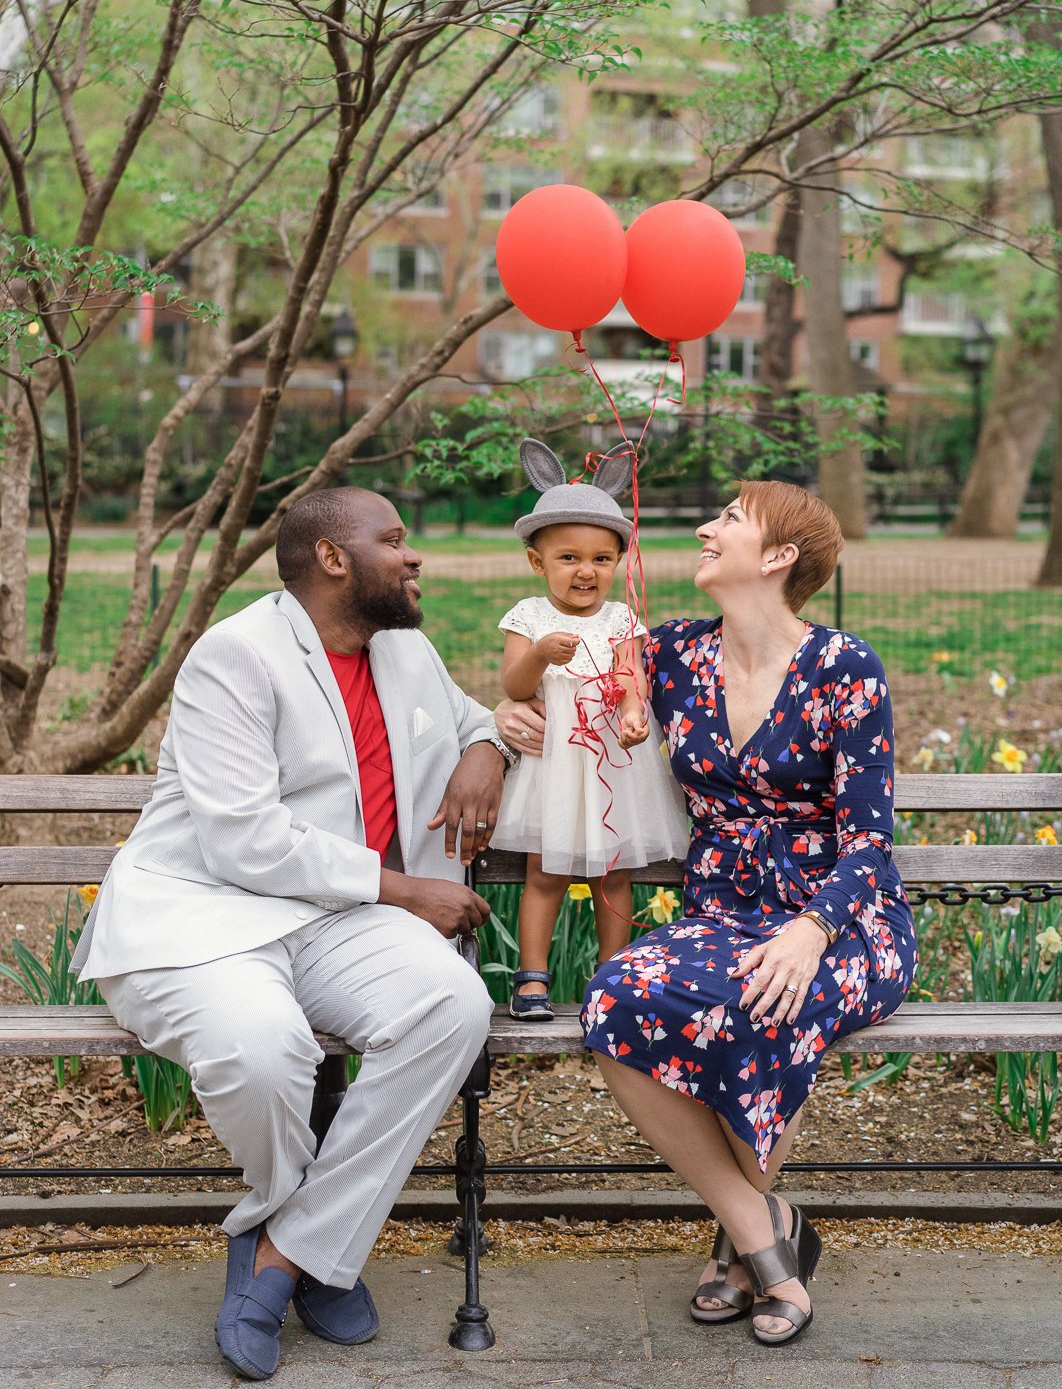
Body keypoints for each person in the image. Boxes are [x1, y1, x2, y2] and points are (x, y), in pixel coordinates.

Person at [71, 488, 513, 1382]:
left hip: (335, 921)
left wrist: (485, 752)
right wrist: (400, 888)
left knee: (452, 1005)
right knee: (265, 1052)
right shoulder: (235, 656)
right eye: (393, 540)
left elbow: (471, 719)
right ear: (333, 560)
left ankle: (283, 1256)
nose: (413, 555)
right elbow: (241, 838)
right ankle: (305, 1237)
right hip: (205, 918)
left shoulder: (406, 651)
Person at [571, 480, 916, 1348]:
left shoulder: (845, 667)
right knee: (615, 999)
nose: (702, 527)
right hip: (720, 913)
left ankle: (737, 1252)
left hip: (842, 918)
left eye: (727, 518)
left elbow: (869, 842)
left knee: (769, 1001)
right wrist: (495, 724)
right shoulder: (671, 652)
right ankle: (765, 1229)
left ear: (777, 557)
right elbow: (561, 680)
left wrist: (812, 929)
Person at [494, 440, 688, 1021]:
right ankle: (532, 980)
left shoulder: (622, 617)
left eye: (602, 559)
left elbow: (631, 676)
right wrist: (542, 657)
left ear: (618, 563)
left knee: (615, 868)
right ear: (538, 562)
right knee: (544, 870)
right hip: (554, 764)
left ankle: (612, 975)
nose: (586, 571)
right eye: (569, 558)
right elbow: (513, 686)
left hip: (613, 765)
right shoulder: (529, 616)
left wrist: (633, 712)